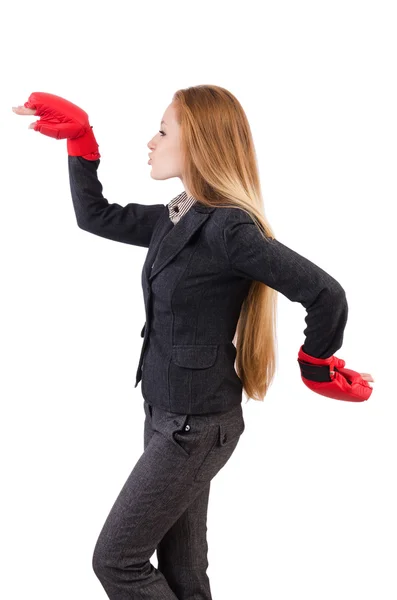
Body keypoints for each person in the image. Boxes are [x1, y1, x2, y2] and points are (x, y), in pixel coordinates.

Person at [12, 88, 374, 600]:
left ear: (198, 143)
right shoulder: (180, 214)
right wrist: (81, 143)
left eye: (163, 131)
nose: (150, 142)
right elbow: (98, 216)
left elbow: (324, 293)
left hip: (195, 426)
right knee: (182, 572)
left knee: (117, 562)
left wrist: (316, 365)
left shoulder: (229, 228)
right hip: (162, 411)